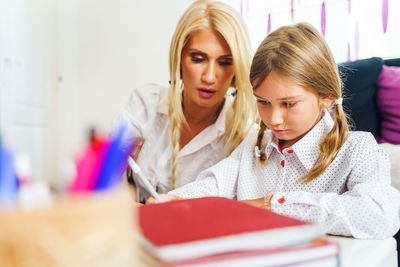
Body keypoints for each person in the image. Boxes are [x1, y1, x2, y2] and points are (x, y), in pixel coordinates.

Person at [153, 22, 400, 239]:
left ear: (326, 96)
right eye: (263, 102)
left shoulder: (358, 149)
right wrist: (177, 201)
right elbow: (215, 184)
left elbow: (381, 214)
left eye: (289, 103)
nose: (274, 119)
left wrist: (274, 205)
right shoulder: (254, 144)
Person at [112, 0, 256, 199]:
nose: (210, 76)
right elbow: (105, 176)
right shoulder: (147, 104)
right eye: (198, 59)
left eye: (224, 62)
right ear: (179, 57)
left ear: (236, 69)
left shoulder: (244, 135)